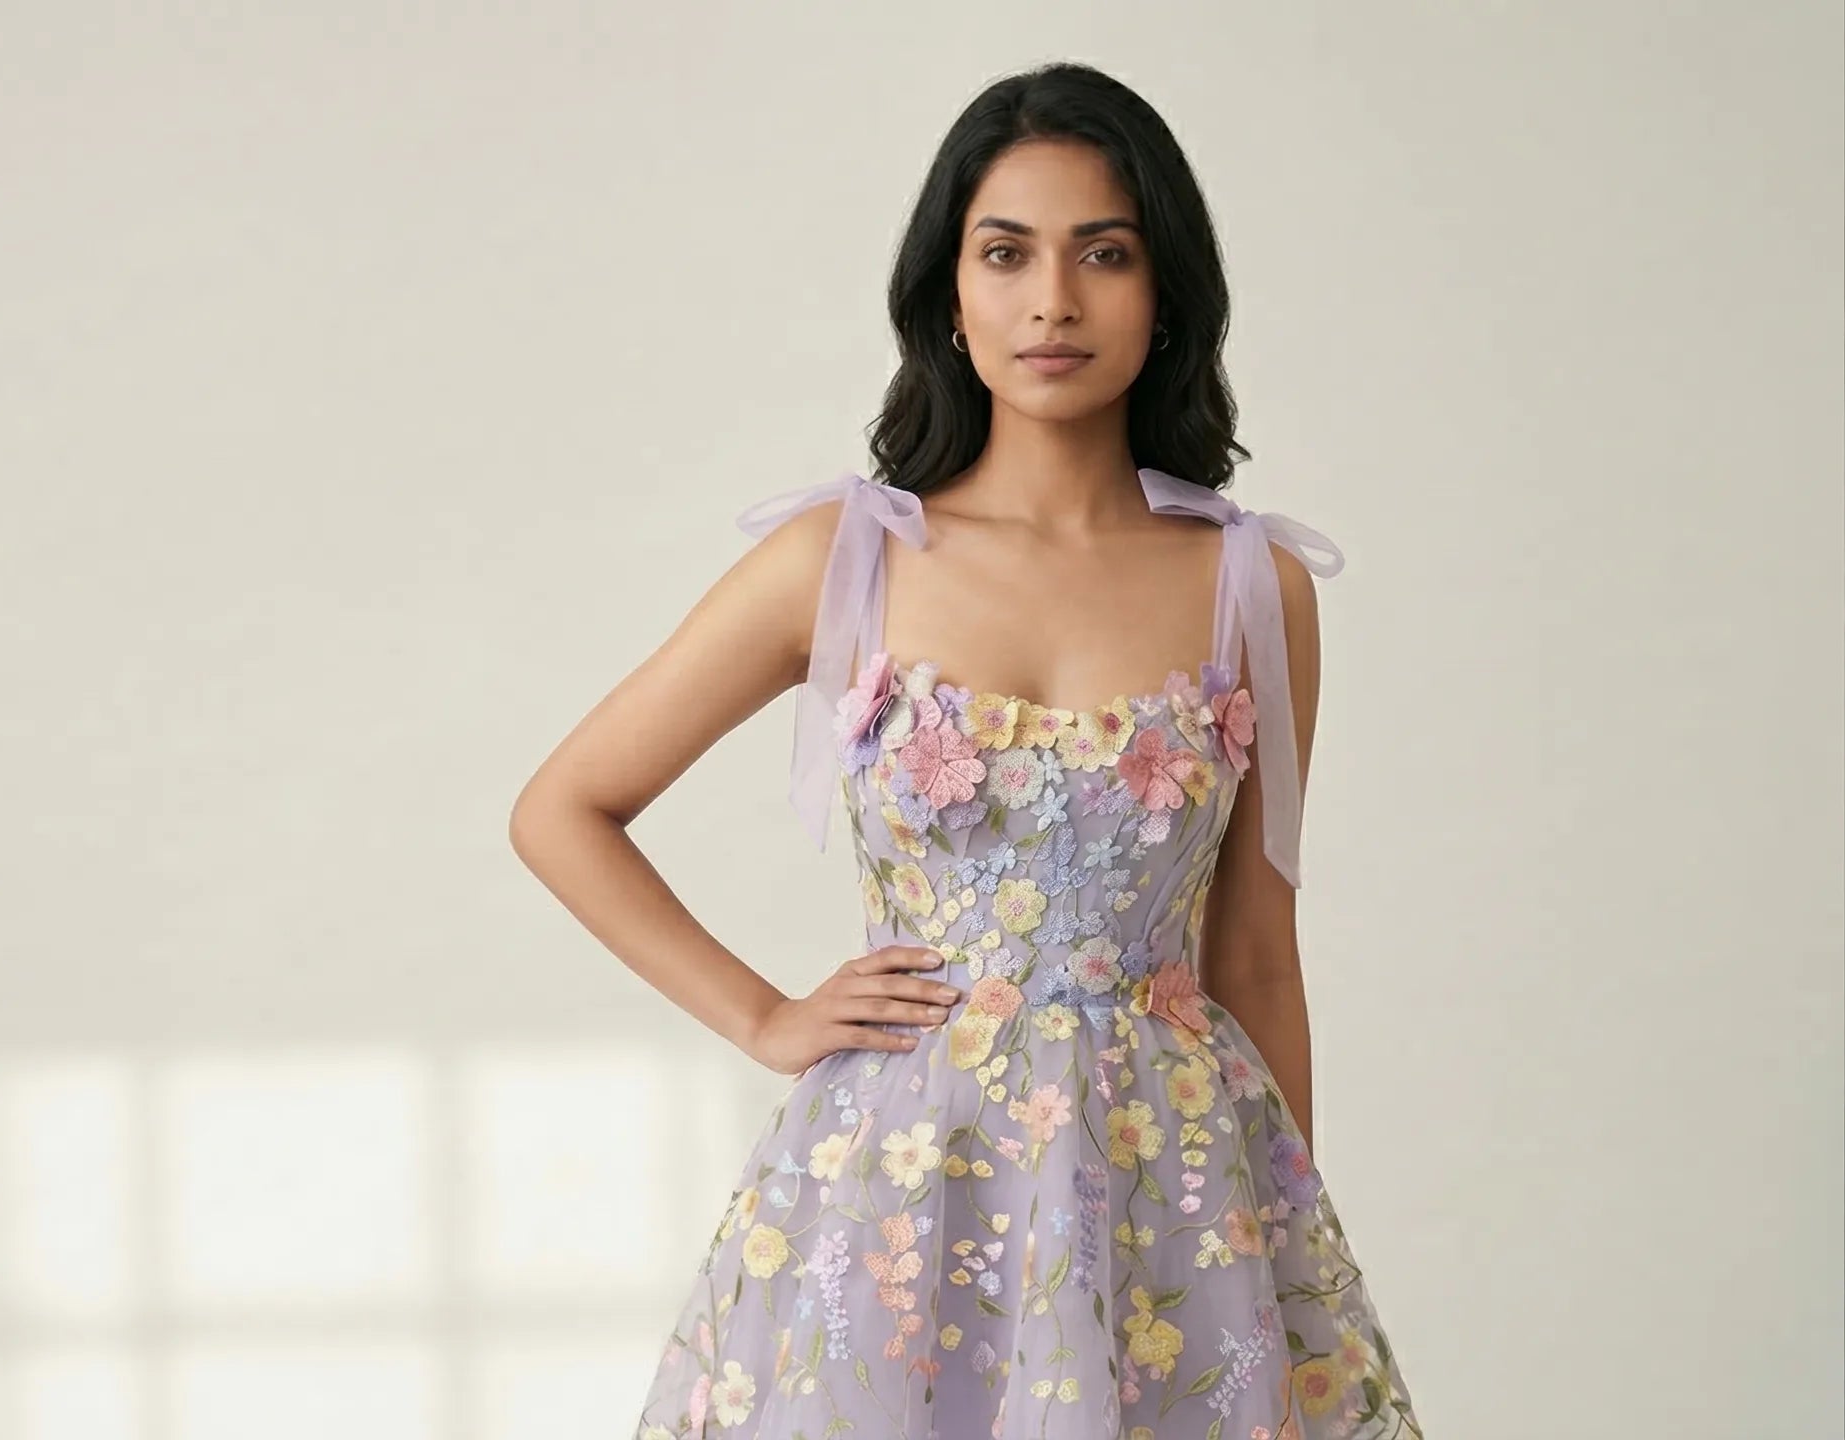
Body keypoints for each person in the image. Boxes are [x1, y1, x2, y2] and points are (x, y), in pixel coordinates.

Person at [507, 62, 1423, 1439]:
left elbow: (1250, 955)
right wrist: (764, 1018)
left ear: (1164, 290)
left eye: (1102, 254)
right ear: (949, 292)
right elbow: (563, 808)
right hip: (898, 1186)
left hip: (1170, 1196)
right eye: (1005, 254)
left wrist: (1283, 1262)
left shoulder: (1250, 586)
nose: (1051, 299)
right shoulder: (841, 560)